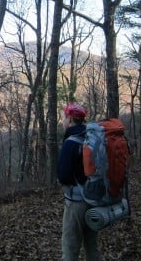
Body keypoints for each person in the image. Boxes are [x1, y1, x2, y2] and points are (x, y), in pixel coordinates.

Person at [57, 103, 99, 261]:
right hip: (94, 199)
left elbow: (63, 176)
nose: (63, 121)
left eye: (64, 117)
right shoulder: (91, 137)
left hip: (76, 203)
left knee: (70, 248)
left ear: (70, 119)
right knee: (91, 245)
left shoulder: (70, 142)